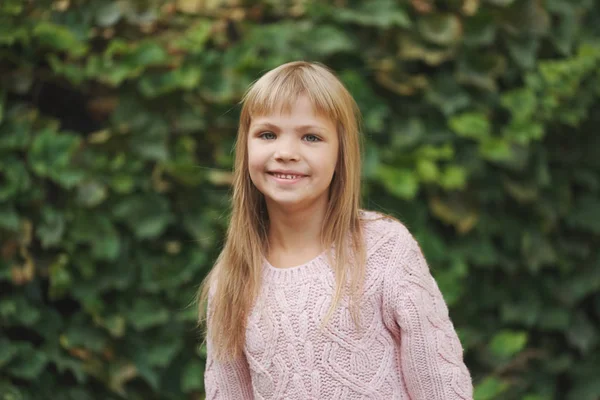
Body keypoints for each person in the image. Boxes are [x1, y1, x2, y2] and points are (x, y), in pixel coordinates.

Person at [197, 61, 473, 399]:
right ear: (246, 147)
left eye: (311, 137)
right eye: (268, 134)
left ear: (341, 152)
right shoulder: (233, 275)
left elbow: (442, 387)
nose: (286, 153)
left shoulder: (384, 249)